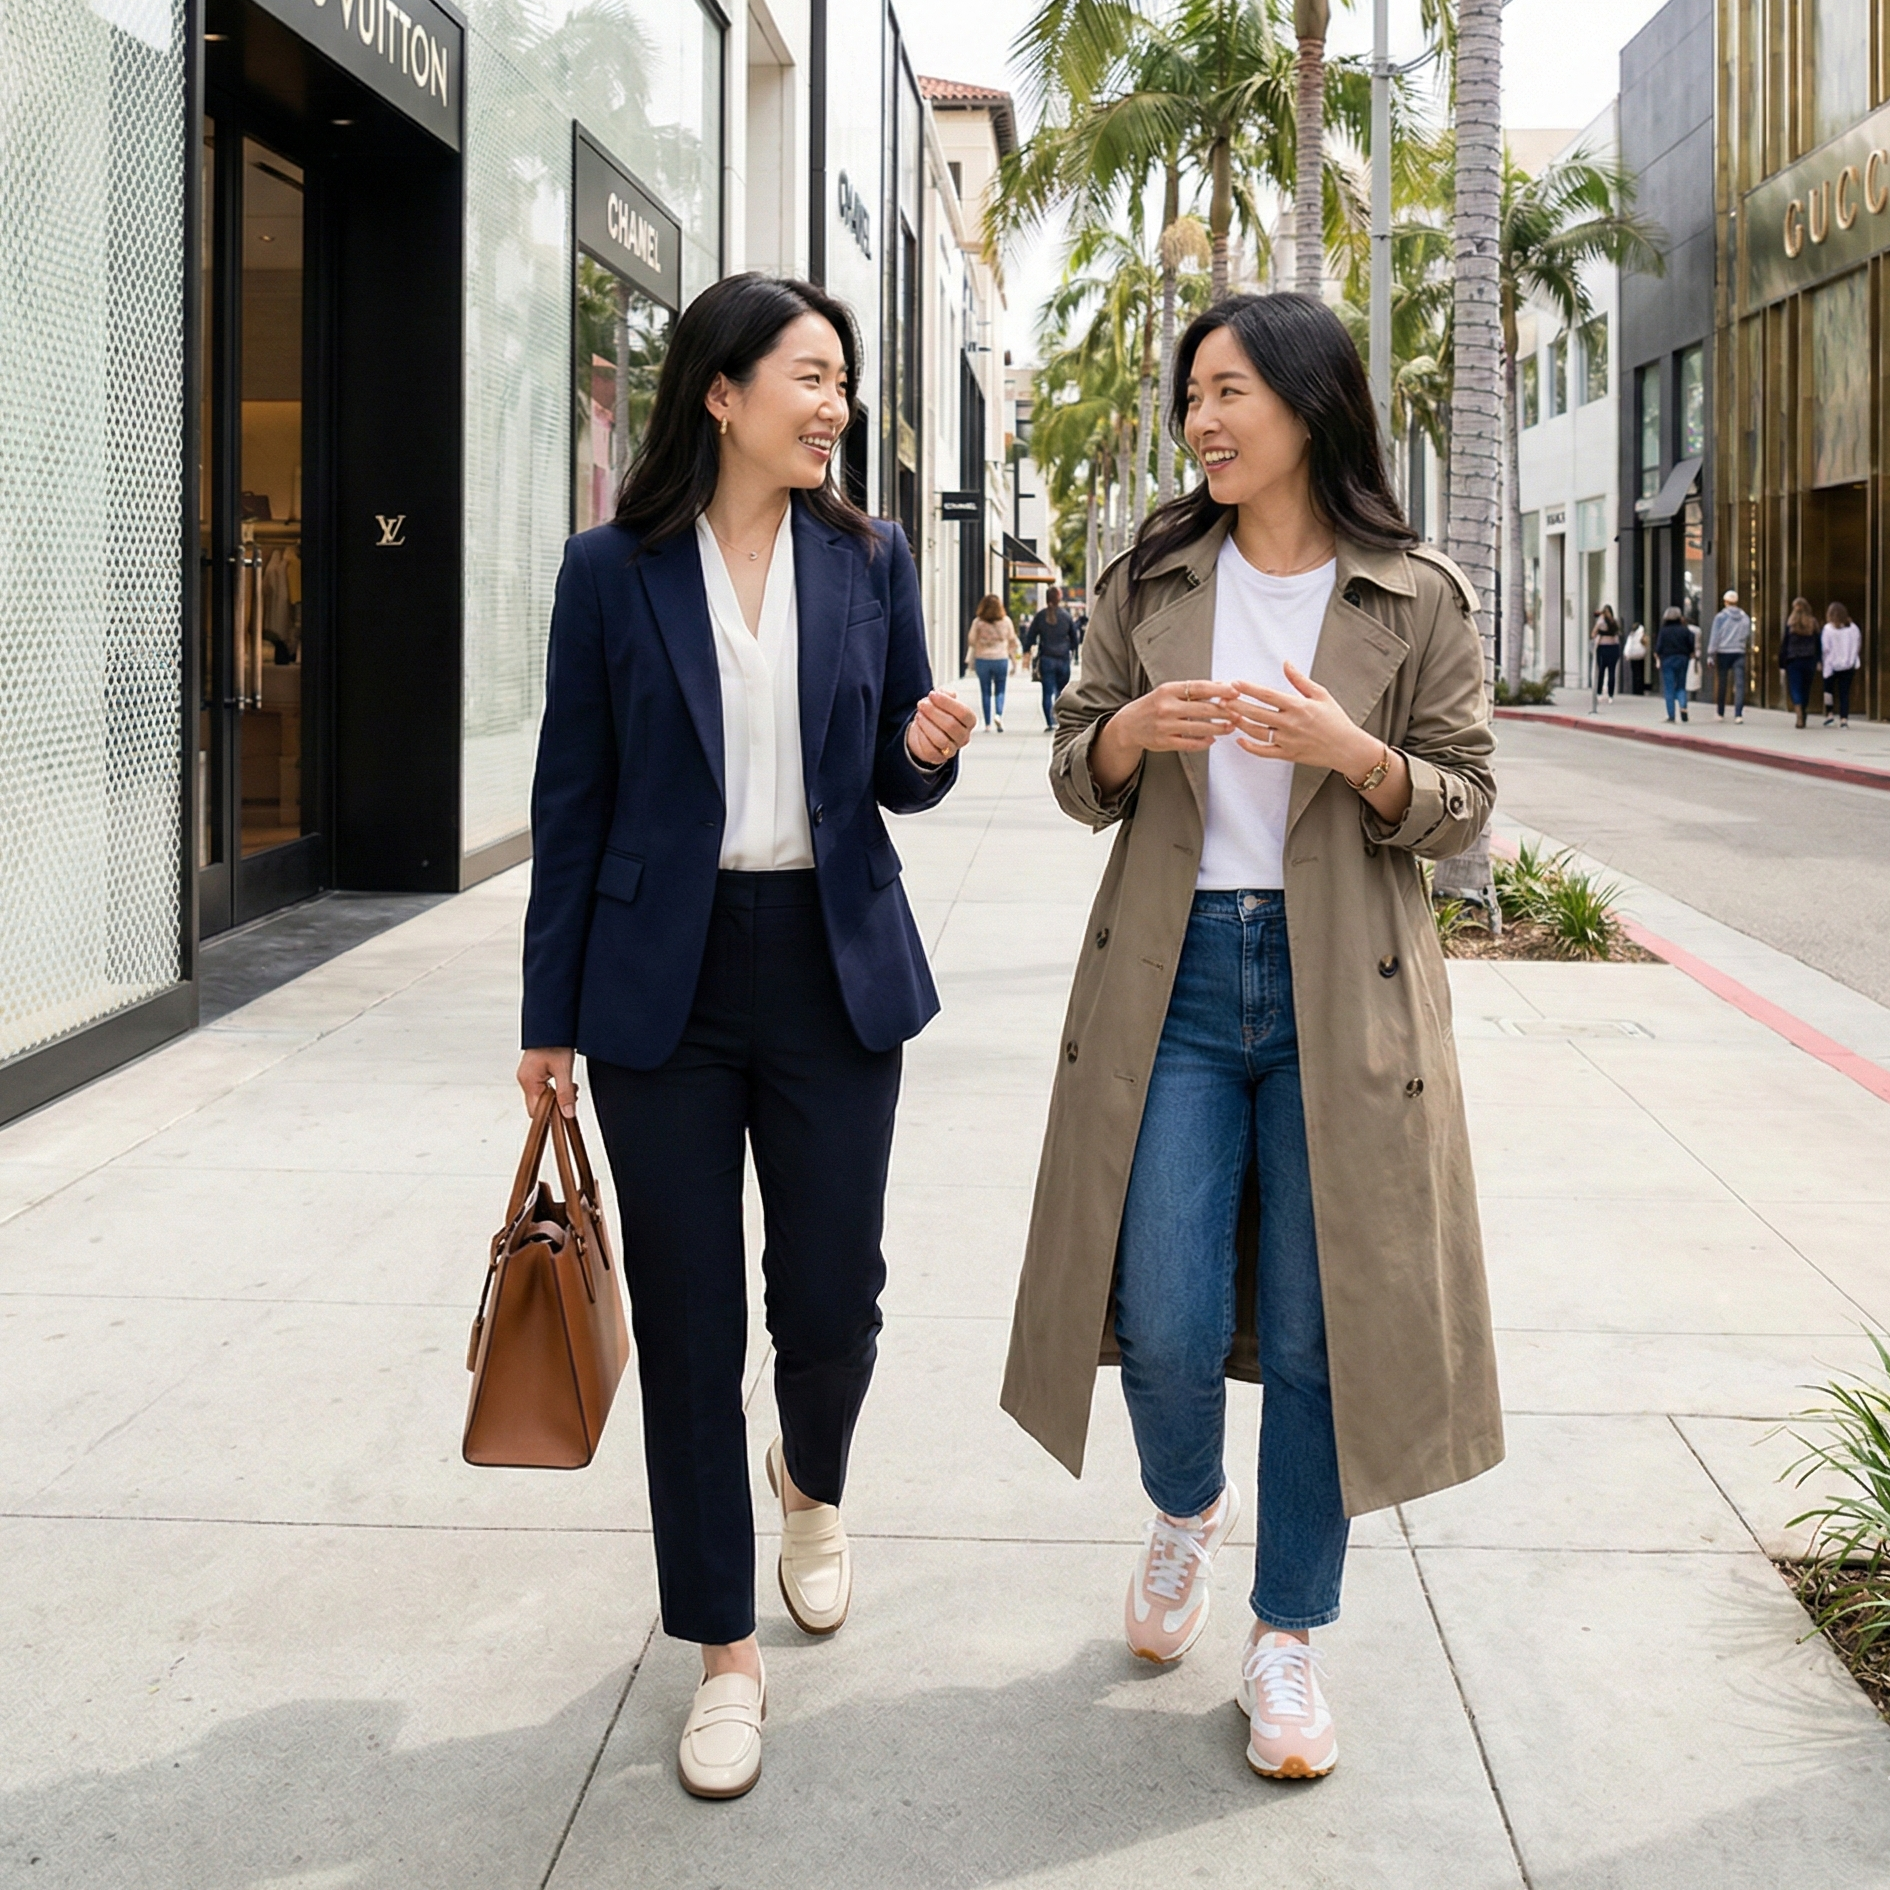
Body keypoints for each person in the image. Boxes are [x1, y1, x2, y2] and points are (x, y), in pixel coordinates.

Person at [1001, 292, 1502, 1784]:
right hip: (1171, 982)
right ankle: (1182, 1504)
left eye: (1229, 391)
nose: (1203, 421)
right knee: (1154, 1305)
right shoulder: (1150, 578)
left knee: (1314, 1325)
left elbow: (1465, 799)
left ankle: (1286, 1637)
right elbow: (1074, 770)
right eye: (1191, 395)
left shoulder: (1412, 594)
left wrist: (1352, 756)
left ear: (1305, 402)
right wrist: (1125, 735)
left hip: (1339, 994)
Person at [518, 274, 975, 1801]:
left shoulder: (870, 556)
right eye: (809, 374)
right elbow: (570, 806)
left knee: (832, 1294)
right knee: (693, 1318)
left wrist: (925, 747)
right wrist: (546, 1024)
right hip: (665, 978)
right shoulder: (609, 571)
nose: (833, 402)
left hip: (833, 961)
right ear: (721, 392)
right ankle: (721, 1646)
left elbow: (898, 773)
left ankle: (813, 1480)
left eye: (841, 378)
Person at [1022, 584, 1082, 730]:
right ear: (1059, 598)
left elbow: (1030, 637)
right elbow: (1075, 638)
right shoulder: (1066, 616)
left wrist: (1027, 652)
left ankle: (1050, 722)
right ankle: (1058, 717)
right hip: (1062, 658)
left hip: (1046, 659)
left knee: (1047, 691)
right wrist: (1073, 652)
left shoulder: (1041, 616)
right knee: (1061, 692)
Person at [964, 592, 1022, 730]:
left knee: (985, 691)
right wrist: (1014, 661)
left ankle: (988, 724)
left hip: (982, 659)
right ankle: (998, 715)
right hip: (1000, 659)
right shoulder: (1006, 621)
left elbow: (971, 640)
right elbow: (1012, 640)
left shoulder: (978, 622)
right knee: (1000, 689)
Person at [1706, 589, 1751, 722]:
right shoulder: (1744, 617)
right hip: (1739, 652)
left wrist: (1710, 654)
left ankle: (1720, 712)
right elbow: (1747, 634)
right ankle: (1738, 714)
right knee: (1740, 683)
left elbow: (1715, 636)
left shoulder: (1720, 617)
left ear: (1726, 602)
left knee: (1722, 682)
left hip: (1723, 652)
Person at [1779, 596, 1822, 729]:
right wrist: (1819, 660)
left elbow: (1784, 645)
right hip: (1809, 660)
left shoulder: (1790, 624)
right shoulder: (1813, 623)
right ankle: (1803, 710)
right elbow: (1818, 644)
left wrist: (1782, 663)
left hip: (1794, 660)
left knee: (1795, 688)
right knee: (1806, 689)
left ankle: (1799, 715)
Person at [1822, 601, 1862, 728]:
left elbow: (1825, 648)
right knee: (1844, 693)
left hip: (1831, 666)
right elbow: (1857, 645)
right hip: (1848, 665)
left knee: (1828, 692)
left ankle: (1829, 715)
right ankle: (1844, 719)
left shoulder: (1828, 629)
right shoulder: (1853, 629)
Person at [1655, 605, 1695, 722]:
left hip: (1667, 660)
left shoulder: (1664, 631)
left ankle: (1671, 715)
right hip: (1683, 659)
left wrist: (1657, 654)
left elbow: (1659, 647)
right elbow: (1690, 643)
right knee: (1681, 685)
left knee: (1669, 688)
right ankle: (1683, 706)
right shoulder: (1685, 630)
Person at [1591, 604, 1622, 701]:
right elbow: (1618, 633)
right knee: (1611, 671)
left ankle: (1600, 692)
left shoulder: (1601, 622)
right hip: (1613, 648)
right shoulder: (1615, 622)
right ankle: (1610, 695)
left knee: (1601, 671)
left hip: (1603, 648)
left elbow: (1593, 634)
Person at [1623, 619, 1649, 693]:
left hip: (1633, 656)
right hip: (1640, 655)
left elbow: (1628, 645)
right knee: (1641, 672)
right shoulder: (1642, 633)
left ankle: (1635, 689)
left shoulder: (1631, 635)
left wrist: (1626, 654)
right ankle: (1640, 688)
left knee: (1635, 672)